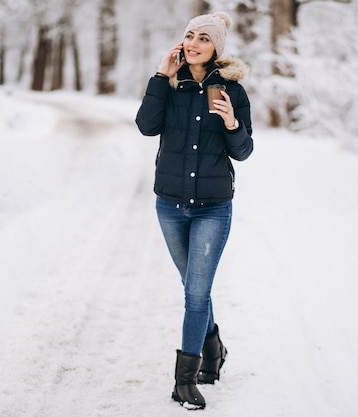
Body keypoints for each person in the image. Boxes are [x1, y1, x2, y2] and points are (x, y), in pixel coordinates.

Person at [135, 11, 254, 410]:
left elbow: (244, 152)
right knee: (193, 287)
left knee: (196, 292)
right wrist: (158, 77)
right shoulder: (169, 85)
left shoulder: (232, 91)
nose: (193, 43)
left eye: (204, 38)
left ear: (216, 47)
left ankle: (184, 381)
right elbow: (146, 127)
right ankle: (213, 343)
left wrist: (233, 125)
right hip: (169, 205)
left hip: (213, 208)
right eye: (189, 35)